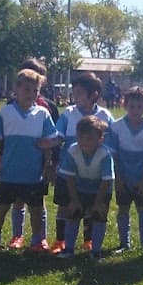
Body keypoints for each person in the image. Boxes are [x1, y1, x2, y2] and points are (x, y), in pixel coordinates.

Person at [0, 69, 62, 256]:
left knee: (36, 208)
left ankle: (38, 240)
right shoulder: (6, 112)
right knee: (2, 207)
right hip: (9, 172)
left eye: (35, 90)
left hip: (34, 174)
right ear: (16, 89)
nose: (31, 94)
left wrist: (49, 161)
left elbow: (52, 140)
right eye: (27, 89)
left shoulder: (42, 114)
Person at [53, 72, 114, 252]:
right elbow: (57, 137)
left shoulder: (105, 115)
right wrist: (50, 154)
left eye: (79, 92)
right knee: (65, 206)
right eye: (75, 92)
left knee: (91, 207)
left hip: (94, 174)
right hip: (69, 172)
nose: (75, 96)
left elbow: (110, 144)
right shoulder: (68, 114)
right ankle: (60, 240)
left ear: (93, 94)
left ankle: (89, 240)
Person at [8, 58, 61, 250]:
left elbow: (55, 137)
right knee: (18, 199)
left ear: (42, 81)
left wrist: (53, 162)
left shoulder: (49, 107)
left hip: (39, 162)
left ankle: (40, 238)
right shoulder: (11, 105)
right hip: (16, 161)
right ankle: (17, 235)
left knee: (38, 202)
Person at [106, 85, 143, 252]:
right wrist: (118, 178)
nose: (135, 110)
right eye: (131, 106)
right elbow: (113, 155)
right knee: (123, 209)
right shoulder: (116, 127)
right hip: (123, 178)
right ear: (124, 105)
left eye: (139, 106)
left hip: (142, 178)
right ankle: (124, 243)